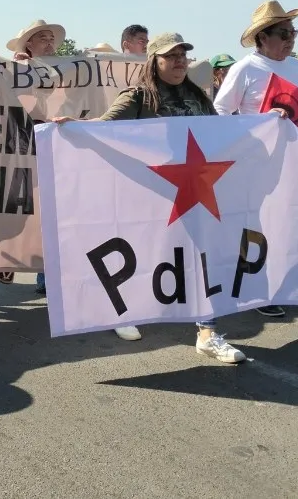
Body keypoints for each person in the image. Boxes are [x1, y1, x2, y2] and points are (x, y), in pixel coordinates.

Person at [56, 33, 248, 361]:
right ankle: (124, 313)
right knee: (147, 256)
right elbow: (105, 129)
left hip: (193, 195)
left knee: (201, 258)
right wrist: (75, 125)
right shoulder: (139, 97)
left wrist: (269, 123)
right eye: (170, 56)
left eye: (182, 55)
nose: (179, 61)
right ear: (154, 61)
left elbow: (219, 135)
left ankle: (207, 332)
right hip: (148, 197)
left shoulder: (198, 97)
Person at [213, 1, 298, 318]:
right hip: (258, 165)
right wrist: (259, 125)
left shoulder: (297, 66)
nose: (291, 39)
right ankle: (260, 288)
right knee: (261, 226)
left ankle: (279, 277)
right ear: (262, 37)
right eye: (283, 33)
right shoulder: (245, 69)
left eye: (293, 32)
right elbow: (220, 113)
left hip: (295, 162)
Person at [6, 20, 66, 294]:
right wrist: (16, 70)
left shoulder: (65, 70)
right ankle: (9, 255)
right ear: (29, 44)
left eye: (51, 38)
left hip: (57, 144)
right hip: (24, 144)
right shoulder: (16, 70)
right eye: (43, 38)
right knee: (26, 210)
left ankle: (48, 274)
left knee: (54, 210)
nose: (50, 43)